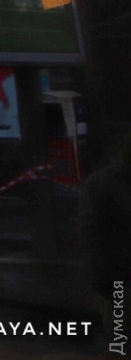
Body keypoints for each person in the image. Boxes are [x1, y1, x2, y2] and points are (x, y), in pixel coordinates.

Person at [80, 129, 131, 327]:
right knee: (120, 330)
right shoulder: (103, 184)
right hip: (117, 274)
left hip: (114, 273)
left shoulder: (102, 182)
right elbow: (93, 233)